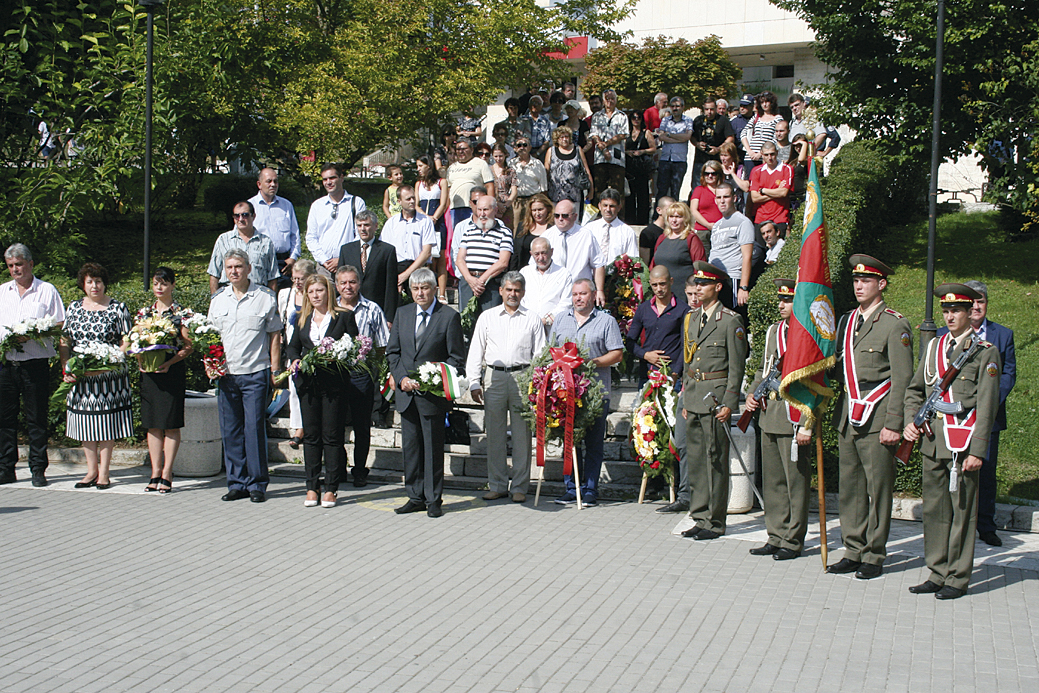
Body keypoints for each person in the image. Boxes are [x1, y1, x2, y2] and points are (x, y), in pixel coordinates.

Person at [903, 284, 1001, 600]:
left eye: (956, 311)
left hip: (963, 445)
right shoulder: (933, 348)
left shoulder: (984, 351)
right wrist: (910, 420)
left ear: (970, 312)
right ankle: (937, 571)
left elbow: (987, 404)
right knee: (934, 510)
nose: (950, 317)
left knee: (962, 512)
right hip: (933, 441)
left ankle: (957, 577)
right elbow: (915, 389)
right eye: (945, 311)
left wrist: (978, 450)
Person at [827, 254, 914, 579]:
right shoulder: (847, 321)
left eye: (866, 281)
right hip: (849, 412)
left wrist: (895, 423)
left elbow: (903, 378)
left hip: (878, 416)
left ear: (882, 284)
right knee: (850, 486)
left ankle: (874, 554)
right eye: (856, 280)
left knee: (878, 489)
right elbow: (839, 369)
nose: (859, 285)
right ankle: (853, 548)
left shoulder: (895, 324)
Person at [937, 280, 1015, 547]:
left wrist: (988, 401)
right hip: (952, 417)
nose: (978, 306)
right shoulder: (940, 335)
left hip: (986, 417)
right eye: (975, 302)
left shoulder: (1002, 335)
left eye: (982, 301)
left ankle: (985, 524)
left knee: (986, 471)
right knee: (952, 469)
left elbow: (1007, 374)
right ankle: (950, 523)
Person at [386, 268, 465, 518]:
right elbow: (393, 352)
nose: (420, 293)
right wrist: (402, 379)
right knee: (410, 448)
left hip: (432, 397)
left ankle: (433, 499)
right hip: (406, 395)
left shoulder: (448, 317)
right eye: (415, 289)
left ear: (434, 289)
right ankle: (414, 496)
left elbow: (455, 358)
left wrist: (432, 377)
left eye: (425, 288)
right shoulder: (402, 313)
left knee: (432, 449)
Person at [743, 279, 812, 559]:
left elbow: (813, 382)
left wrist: (808, 423)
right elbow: (764, 368)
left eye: (788, 300)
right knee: (773, 482)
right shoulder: (774, 331)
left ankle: (793, 540)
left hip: (792, 415)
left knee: (795, 482)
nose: (781, 305)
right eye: (780, 300)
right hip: (769, 414)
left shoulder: (807, 335)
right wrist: (751, 392)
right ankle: (775, 533)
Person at [679, 262, 748, 540]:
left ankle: (715, 521)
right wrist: (685, 396)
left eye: (704, 284)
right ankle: (700, 514)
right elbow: (688, 360)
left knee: (715, 459)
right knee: (696, 459)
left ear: (717, 287)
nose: (698, 288)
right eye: (696, 284)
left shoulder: (730, 320)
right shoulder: (692, 318)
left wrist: (730, 402)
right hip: (695, 395)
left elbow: (736, 366)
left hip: (715, 398)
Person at [208, 249, 283, 503]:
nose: (233, 271)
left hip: (255, 372)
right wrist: (211, 364)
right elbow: (210, 338)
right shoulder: (218, 299)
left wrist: (275, 369)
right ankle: (236, 482)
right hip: (227, 375)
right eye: (229, 267)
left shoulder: (265, 297)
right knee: (231, 431)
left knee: (253, 430)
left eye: (238, 266)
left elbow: (275, 335)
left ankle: (257, 484)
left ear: (249, 268)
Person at [467, 271, 546, 503]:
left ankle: (520, 486)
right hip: (494, 377)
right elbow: (475, 350)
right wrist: (473, 381)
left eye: (517, 290)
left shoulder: (532, 318)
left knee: (522, 434)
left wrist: (537, 384)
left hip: (523, 377)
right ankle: (498, 484)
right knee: (495, 434)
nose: (513, 294)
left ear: (523, 292)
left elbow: (540, 354)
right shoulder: (487, 317)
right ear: (501, 290)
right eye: (509, 289)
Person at [549, 278, 624, 505]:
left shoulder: (606, 321)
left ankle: (590, 489)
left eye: (582, 294)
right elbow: (550, 350)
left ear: (592, 295)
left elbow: (617, 354)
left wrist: (591, 362)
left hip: (595, 393)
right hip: (565, 392)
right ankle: (572, 488)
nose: (578, 298)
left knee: (593, 443)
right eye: (574, 294)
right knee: (570, 441)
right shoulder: (561, 319)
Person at [60, 263, 133, 490]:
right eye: (90, 281)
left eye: (98, 281)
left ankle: (104, 472)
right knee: (86, 423)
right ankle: (90, 471)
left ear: (105, 283)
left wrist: (114, 358)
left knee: (105, 423)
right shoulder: (73, 308)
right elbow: (65, 340)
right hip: (81, 378)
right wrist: (66, 367)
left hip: (109, 378)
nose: (95, 286)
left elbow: (128, 339)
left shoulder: (118, 308)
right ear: (83, 284)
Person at [287, 274, 358, 508]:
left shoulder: (343, 317)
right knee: (311, 436)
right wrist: (295, 360)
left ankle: (331, 487)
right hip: (308, 385)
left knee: (332, 436)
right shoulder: (301, 318)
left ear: (328, 291)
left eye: (319, 290)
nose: (316, 296)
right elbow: (293, 347)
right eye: (311, 292)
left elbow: (355, 348)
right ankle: (311, 486)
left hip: (334, 386)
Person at [0, 244, 65, 487]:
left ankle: (38, 468)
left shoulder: (46, 291)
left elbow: (60, 323)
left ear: (30, 264)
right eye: (10, 266)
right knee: (5, 419)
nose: (15, 270)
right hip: (6, 364)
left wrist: (35, 332)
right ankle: (6, 467)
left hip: (34, 363)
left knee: (36, 417)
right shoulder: (2, 292)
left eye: (19, 264)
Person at [627, 266, 690, 510]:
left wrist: (676, 372)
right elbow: (630, 342)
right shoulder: (644, 308)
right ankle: (652, 481)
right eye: (654, 285)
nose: (659, 289)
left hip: (671, 381)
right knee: (647, 428)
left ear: (671, 281)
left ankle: (671, 481)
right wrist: (646, 355)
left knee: (671, 431)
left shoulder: (682, 309)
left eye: (663, 284)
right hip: (648, 379)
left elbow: (687, 346)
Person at [135, 267, 193, 494]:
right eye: (156, 283)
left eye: (164, 283)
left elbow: (188, 346)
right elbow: (134, 339)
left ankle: (168, 472)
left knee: (170, 422)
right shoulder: (144, 313)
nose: (159, 287)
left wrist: (169, 363)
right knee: (153, 423)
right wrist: (140, 358)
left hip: (171, 371)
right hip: (149, 373)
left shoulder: (182, 313)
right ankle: (154, 472)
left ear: (172, 286)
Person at [335, 265, 390, 486]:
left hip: (362, 374)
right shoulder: (331, 308)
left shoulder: (372, 309)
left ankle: (359, 470)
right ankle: (338, 468)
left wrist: (372, 367)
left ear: (359, 283)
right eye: (343, 283)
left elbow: (383, 343)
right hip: (336, 375)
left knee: (361, 426)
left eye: (352, 282)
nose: (348, 287)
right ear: (337, 285)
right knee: (334, 425)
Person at [277, 259, 317, 449]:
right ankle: (298, 427)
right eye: (294, 279)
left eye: (301, 279)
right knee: (294, 386)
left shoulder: (317, 294)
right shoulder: (285, 294)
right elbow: (280, 319)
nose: (298, 282)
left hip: (311, 345)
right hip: (292, 347)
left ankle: (312, 424)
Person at [456, 194, 513, 318]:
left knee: (490, 321)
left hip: (490, 284)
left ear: (495, 210)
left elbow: (503, 262)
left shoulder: (504, 232)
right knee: (466, 323)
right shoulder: (468, 231)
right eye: (479, 209)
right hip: (468, 282)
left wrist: (481, 281)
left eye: (486, 210)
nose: (482, 214)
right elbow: (460, 260)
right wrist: (470, 280)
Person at [337, 210, 398, 324]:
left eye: (366, 225)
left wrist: (389, 318)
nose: (363, 229)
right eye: (359, 225)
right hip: (349, 309)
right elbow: (339, 281)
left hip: (377, 310)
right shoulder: (346, 250)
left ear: (375, 226)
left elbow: (391, 287)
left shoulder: (387, 250)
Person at [306, 163, 368, 276]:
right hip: (324, 267)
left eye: (332, 178)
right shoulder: (317, 206)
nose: (328, 182)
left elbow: (361, 235)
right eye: (325, 179)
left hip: (348, 266)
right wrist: (324, 260)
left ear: (341, 178)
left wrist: (342, 258)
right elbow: (311, 238)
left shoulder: (356, 203)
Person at [446, 139, 495, 275]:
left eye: (464, 148)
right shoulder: (452, 167)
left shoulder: (480, 164)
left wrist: (490, 206)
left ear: (472, 149)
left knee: (476, 237)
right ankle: (459, 272)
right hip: (455, 209)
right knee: (459, 241)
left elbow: (489, 185)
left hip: (475, 208)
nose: (461, 151)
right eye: (458, 149)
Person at [207, 201, 279, 295]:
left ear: (253, 216)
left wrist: (271, 301)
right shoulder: (223, 240)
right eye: (237, 216)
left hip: (258, 295)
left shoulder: (265, 242)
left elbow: (272, 277)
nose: (240, 219)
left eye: (245, 215)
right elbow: (214, 274)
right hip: (228, 294)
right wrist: (215, 301)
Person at [539, 199, 607, 299]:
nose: (560, 219)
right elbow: (534, 266)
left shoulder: (586, 235)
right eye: (557, 215)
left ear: (575, 216)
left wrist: (600, 290)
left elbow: (598, 264)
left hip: (580, 292)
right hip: (553, 293)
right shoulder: (546, 236)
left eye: (565, 216)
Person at [709, 183, 758, 314]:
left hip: (733, 278)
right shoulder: (717, 225)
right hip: (715, 279)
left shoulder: (743, 222)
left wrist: (743, 286)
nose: (722, 201)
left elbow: (747, 256)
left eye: (726, 196)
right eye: (719, 197)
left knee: (732, 318)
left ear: (734, 198)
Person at [379, 185, 437, 298]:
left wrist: (405, 275)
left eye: (413, 198)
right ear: (399, 201)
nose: (412, 201)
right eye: (408, 199)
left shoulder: (425, 221)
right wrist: (396, 277)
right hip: (396, 269)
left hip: (418, 269)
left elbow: (426, 253)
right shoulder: (391, 223)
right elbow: (384, 252)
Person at [249, 167, 301, 290]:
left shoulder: (286, 205)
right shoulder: (250, 206)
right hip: (259, 261)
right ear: (259, 184)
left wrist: (293, 258)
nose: (273, 185)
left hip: (284, 263)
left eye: (275, 181)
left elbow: (295, 234)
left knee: (283, 300)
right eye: (269, 181)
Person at [415, 156, 450, 302]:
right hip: (423, 222)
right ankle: (427, 291)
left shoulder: (441, 182)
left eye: (420, 166)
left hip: (438, 223)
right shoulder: (418, 184)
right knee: (426, 258)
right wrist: (425, 216)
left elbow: (444, 203)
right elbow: (416, 204)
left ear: (428, 166)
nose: (418, 169)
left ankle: (441, 293)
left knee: (440, 258)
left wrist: (434, 218)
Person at [588, 89, 629, 214]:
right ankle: (596, 217)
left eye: (612, 98)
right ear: (603, 101)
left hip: (617, 158)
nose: (609, 101)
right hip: (600, 158)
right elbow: (594, 134)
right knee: (598, 189)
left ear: (616, 100)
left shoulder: (622, 116)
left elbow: (623, 134)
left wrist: (607, 144)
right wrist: (603, 148)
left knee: (618, 190)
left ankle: (619, 217)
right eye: (607, 98)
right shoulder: (597, 116)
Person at [651, 202, 707, 291]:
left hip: (683, 292)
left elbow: (699, 268)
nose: (674, 220)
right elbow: (653, 265)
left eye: (678, 217)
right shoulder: (662, 238)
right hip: (661, 292)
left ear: (686, 219)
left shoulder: (691, 239)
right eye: (671, 216)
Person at [519, 237, 573, 328]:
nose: (541, 258)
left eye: (544, 253)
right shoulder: (525, 273)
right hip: (527, 326)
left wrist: (545, 320)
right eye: (537, 254)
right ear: (531, 254)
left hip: (553, 328)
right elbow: (520, 299)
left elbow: (566, 303)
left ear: (551, 251)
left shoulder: (564, 274)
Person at [545, 126, 592, 221]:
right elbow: (546, 172)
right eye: (561, 137)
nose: (564, 139)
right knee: (556, 221)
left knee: (573, 222)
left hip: (574, 195)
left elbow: (586, 170)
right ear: (556, 139)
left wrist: (591, 190)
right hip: (555, 195)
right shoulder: (551, 151)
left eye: (566, 136)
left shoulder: (578, 150)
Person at [749, 142, 794, 235]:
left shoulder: (787, 169)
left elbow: (783, 193)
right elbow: (755, 198)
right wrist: (776, 193)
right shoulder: (756, 171)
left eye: (772, 154)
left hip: (780, 218)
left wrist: (763, 190)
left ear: (777, 153)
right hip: (760, 218)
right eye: (766, 154)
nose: (769, 157)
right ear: (762, 154)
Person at [655, 96, 693, 203]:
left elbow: (687, 137)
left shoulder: (688, 121)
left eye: (677, 106)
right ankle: (658, 216)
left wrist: (669, 135)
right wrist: (679, 137)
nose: (675, 108)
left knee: (675, 192)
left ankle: (674, 216)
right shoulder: (665, 120)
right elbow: (661, 137)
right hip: (665, 160)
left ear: (683, 107)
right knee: (662, 190)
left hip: (679, 161)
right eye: (672, 106)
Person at [509, 137, 549, 238]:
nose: (522, 147)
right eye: (519, 145)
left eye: (525, 145)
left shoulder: (538, 164)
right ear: (515, 149)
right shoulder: (511, 164)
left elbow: (544, 188)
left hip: (533, 201)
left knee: (533, 226)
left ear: (530, 147)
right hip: (516, 202)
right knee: (515, 228)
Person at [586, 188, 638, 265]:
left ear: (619, 207)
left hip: (617, 275)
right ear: (599, 206)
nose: (608, 209)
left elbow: (633, 259)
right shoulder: (589, 229)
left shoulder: (627, 232)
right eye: (605, 205)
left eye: (612, 206)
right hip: (592, 274)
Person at [690, 97, 736, 185]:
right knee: (697, 185)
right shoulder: (698, 120)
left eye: (712, 109)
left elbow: (730, 138)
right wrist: (697, 144)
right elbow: (692, 137)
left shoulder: (723, 120)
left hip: (717, 159)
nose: (709, 112)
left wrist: (718, 149)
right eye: (706, 109)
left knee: (717, 185)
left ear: (716, 108)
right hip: (700, 159)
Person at [741, 91, 785, 179]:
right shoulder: (756, 117)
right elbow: (743, 133)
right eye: (762, 102)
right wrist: (749, 151)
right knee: (750, 182)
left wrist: (761, 154)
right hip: (750, 157)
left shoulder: (777, 118)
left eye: (767, 102)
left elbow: (776, 138)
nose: (764, 104)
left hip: (765, 157)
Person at [625, 109, 656, 225]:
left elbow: (653, 148)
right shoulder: (627, 133)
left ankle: (642, 221)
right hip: (629, 167)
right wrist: (627, 152)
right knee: (629, 195)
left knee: (643, 195)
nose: (636, 120)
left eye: (638, 117)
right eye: (633, 117)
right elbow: (622, 148)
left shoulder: (646, 132)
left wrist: (642, 151)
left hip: (642, 167)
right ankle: (630, 220)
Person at [689, 160, 726, 253]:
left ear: (719, 175)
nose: (710, 176)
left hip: (722, 230)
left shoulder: (724, 190)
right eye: (707, 173)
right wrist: (708, 225)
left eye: (713, 173)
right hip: (702, 231)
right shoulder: (699, 190)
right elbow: (693, 210)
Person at [512, 192, 553, 272]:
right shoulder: (522, 226)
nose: (537, 213)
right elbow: (515, 253)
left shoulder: (552, 228)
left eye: (540, 209)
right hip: (523, 272)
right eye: (534, 210)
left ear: (548, 209)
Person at [490, 143, 518, 230]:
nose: (498, 159)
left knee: (507, 230)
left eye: (500, 156)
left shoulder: (510, 171)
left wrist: (505, 206)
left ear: (505, 155)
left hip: (506, 205)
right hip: (492, 203)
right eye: (496, 156)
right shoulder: (488, 170)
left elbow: (514, 191)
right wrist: (497, 204)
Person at [640, 196, 673, 265]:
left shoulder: (674, 230)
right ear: (659, 210)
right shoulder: (648, 233)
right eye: (668, 209)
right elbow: (644, 261)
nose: (672, 213)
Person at [522, 95, 553, 160]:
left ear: (541, 106)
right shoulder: (522, 120)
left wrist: (537, 154)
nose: (535, 105)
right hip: (524, 150)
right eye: (533, 103)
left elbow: (547, 141)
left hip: (541, 152)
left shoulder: (545, 121)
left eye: (538, 103)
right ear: (529, 105)